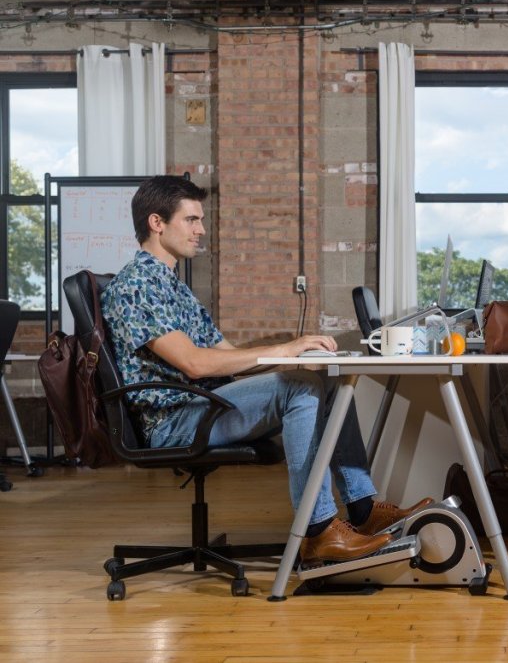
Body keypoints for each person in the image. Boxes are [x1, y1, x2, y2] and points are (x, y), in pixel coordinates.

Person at [101, 175, 430, 567]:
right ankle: (318, 530)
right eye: (191, 219)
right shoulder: (136, 285)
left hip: (202, 405)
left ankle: (362, 509)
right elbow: (193, 362)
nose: (201, 229)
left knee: (323, 379)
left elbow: (227, 355)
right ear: (157, 223)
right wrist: (284, 351)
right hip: (174, 420)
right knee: (301, 388)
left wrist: (295, 355)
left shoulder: (172, 287)